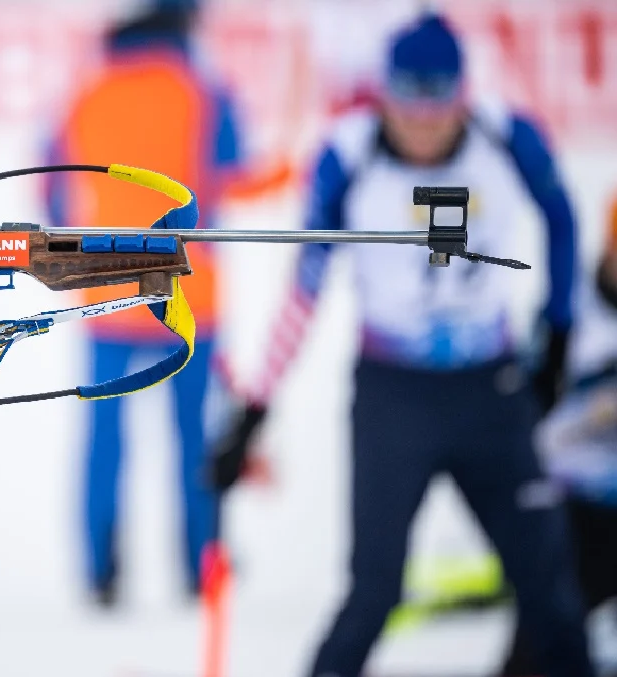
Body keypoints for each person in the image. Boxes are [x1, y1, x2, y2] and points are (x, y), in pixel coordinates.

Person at [212, 13, 594, 676]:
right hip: (394, 394)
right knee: (374, 591)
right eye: (406, 100)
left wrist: (556, 333)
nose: (422, 120)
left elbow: (562, 219)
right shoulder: (347, 154)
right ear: (383, 92)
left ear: (461, 94)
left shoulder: (507, 137)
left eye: (438, 99)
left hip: (491, 388)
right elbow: (304, 291)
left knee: (547, 590)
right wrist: (255, 410)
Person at [43, 0, 240, 606]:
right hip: (188, 295)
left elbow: (52, 187)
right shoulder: (205, 92)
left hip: (107, 293)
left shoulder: (88, 90)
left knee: (106, 438)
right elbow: (225, 181)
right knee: (193, 438)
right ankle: (200, 567)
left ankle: (102, 571)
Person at [502, 197, 617, 676]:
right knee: (543, 641)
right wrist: (591, 413)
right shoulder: (568, 311)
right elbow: (528, 418)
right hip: (574, 505)